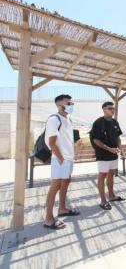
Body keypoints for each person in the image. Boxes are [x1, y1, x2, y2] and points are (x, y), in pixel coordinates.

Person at [43, 94, 80, 229]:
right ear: (59, 104)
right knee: (55, 186)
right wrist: (61, 159)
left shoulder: (68, 119)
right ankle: (48, 219)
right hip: (60, 159)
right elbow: (52, 143)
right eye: (68, 103)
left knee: (65, 183)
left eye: (72, 103)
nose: (71, 106)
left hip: (68, 158)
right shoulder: (54, 119)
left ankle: (62, 208)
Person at [91, 102, 125, 211]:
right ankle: (103, 200)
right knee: (102, 176)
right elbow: (96, 140)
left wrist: (120, 148)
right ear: (104, 109)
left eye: (113, 108)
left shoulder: (115, 122)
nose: (112, 110)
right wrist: (109, 149)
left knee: (111, 175)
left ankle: (111, 196)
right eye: (110, 108)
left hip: (114, 154)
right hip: (103, 155)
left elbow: (118, 137)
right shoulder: (98, 122)